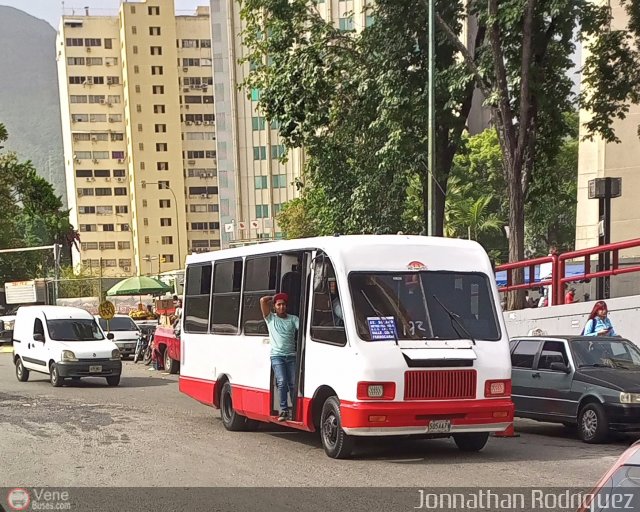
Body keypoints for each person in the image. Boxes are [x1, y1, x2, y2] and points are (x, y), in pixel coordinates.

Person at [260, 292, 299, 421]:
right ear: (275, 307)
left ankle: (295, 409)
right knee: (282, 382)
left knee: (293, 384)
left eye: (284, 304)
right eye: (279, 304)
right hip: (277, 356)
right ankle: (283, 410)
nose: (282, 307)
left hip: (291, 356)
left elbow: (303, 331)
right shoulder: (270, 319)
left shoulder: (293, 319)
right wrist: (274, 297)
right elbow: (262, 301)